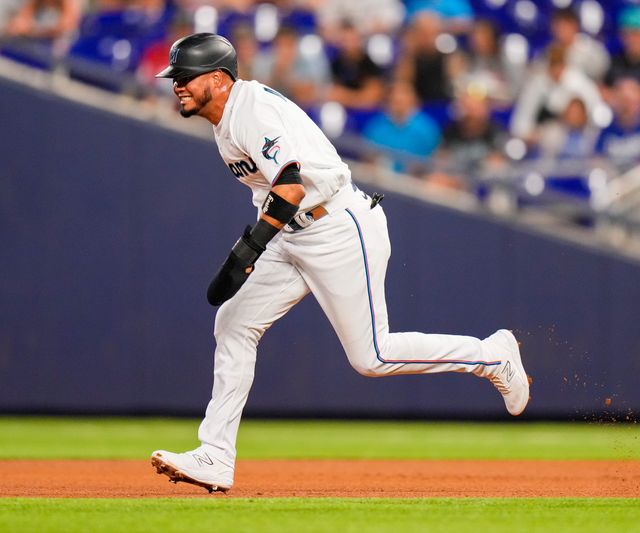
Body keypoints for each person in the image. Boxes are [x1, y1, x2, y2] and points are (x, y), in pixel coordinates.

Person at [149, 33, 530, 494]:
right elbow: (277, 193)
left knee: (373, 356)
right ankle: (215, 455)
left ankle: (491, 356)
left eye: (186, 78)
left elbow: (289, 185)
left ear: (218, 78)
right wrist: (255, 245)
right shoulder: (223, 117)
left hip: (338, 228)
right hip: (291, 232)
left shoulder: (250, 110)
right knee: (233, 323)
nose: (178, 86)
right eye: (176, 79)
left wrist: (248, 250)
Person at [361, 80, 441, 175]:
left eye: (402, 98)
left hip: (415, 181)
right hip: (379, 178)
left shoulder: (428, 129)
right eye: (394, 99)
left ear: (413, 99)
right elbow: (366, 157)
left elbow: (435, 160)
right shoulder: (376, 125)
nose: (398, 102)